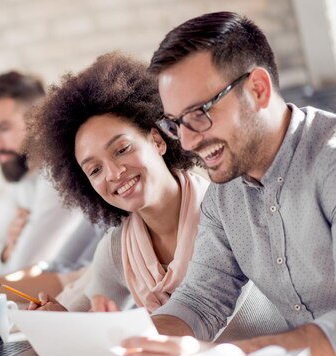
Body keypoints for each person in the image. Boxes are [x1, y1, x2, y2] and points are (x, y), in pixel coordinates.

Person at [121, 11, 336, 356]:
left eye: (200, 112)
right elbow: (201, 300)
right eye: (176, 123)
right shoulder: (223, 196)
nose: (186, 140)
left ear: (257, 88)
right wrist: (130, 343)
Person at [24, 52, 208, 313]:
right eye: (95, 169)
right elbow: (84, 316)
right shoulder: (119, 248)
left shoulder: (223, 212)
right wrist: (58, 319)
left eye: (122, 149)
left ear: (157, 140)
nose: (113, 173)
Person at [0, 71, 102, 300]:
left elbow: (20, 264)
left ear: (37, 120)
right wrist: (5, 251)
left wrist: (7, 261)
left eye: (4, 128)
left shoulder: (57, 174)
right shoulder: (23, 180)